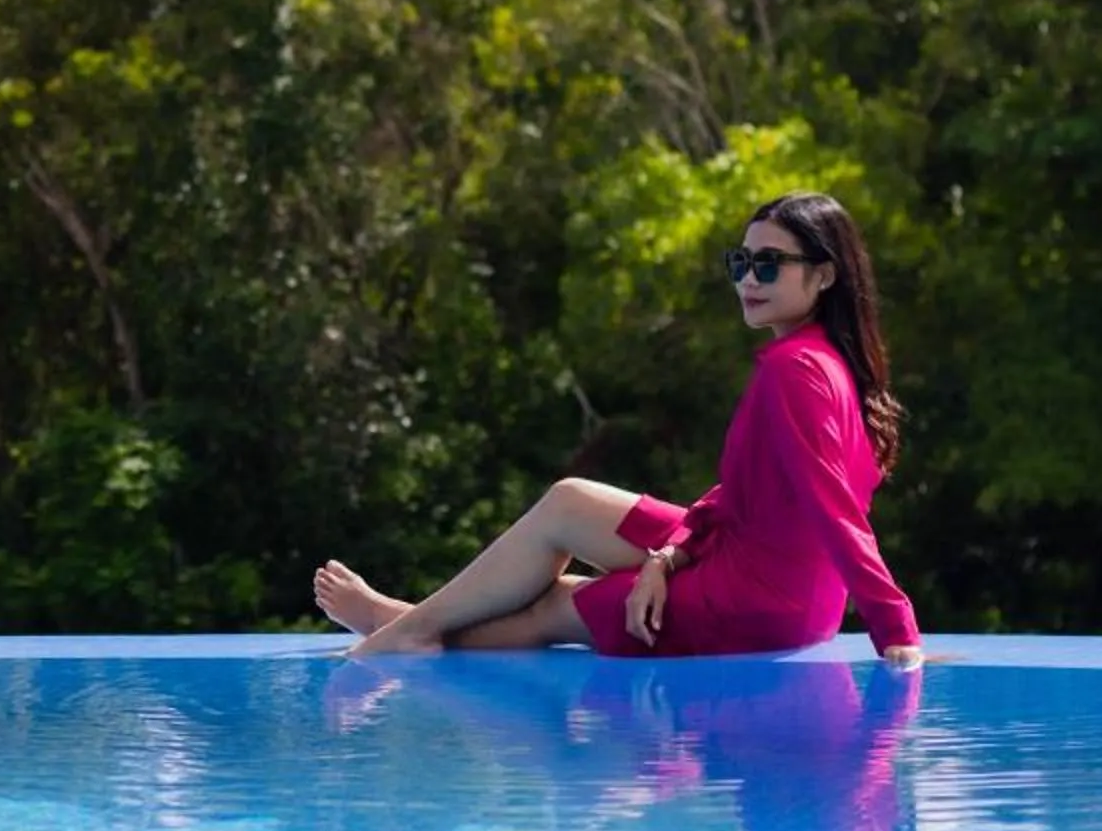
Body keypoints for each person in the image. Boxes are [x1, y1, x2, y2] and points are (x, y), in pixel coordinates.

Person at [315, 192, 924, 664]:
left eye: (768, 265)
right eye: (741, 262)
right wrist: (667, 555)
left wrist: (893, 625)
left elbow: (832, 508)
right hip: (756, 562)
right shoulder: (821, 360)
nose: (746, 280)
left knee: (561, 602)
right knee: (568, 502)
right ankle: (412, 623)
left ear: (823, 276)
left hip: (761, 600)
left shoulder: (798, 370)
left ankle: (409, 627)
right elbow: (749, 494)